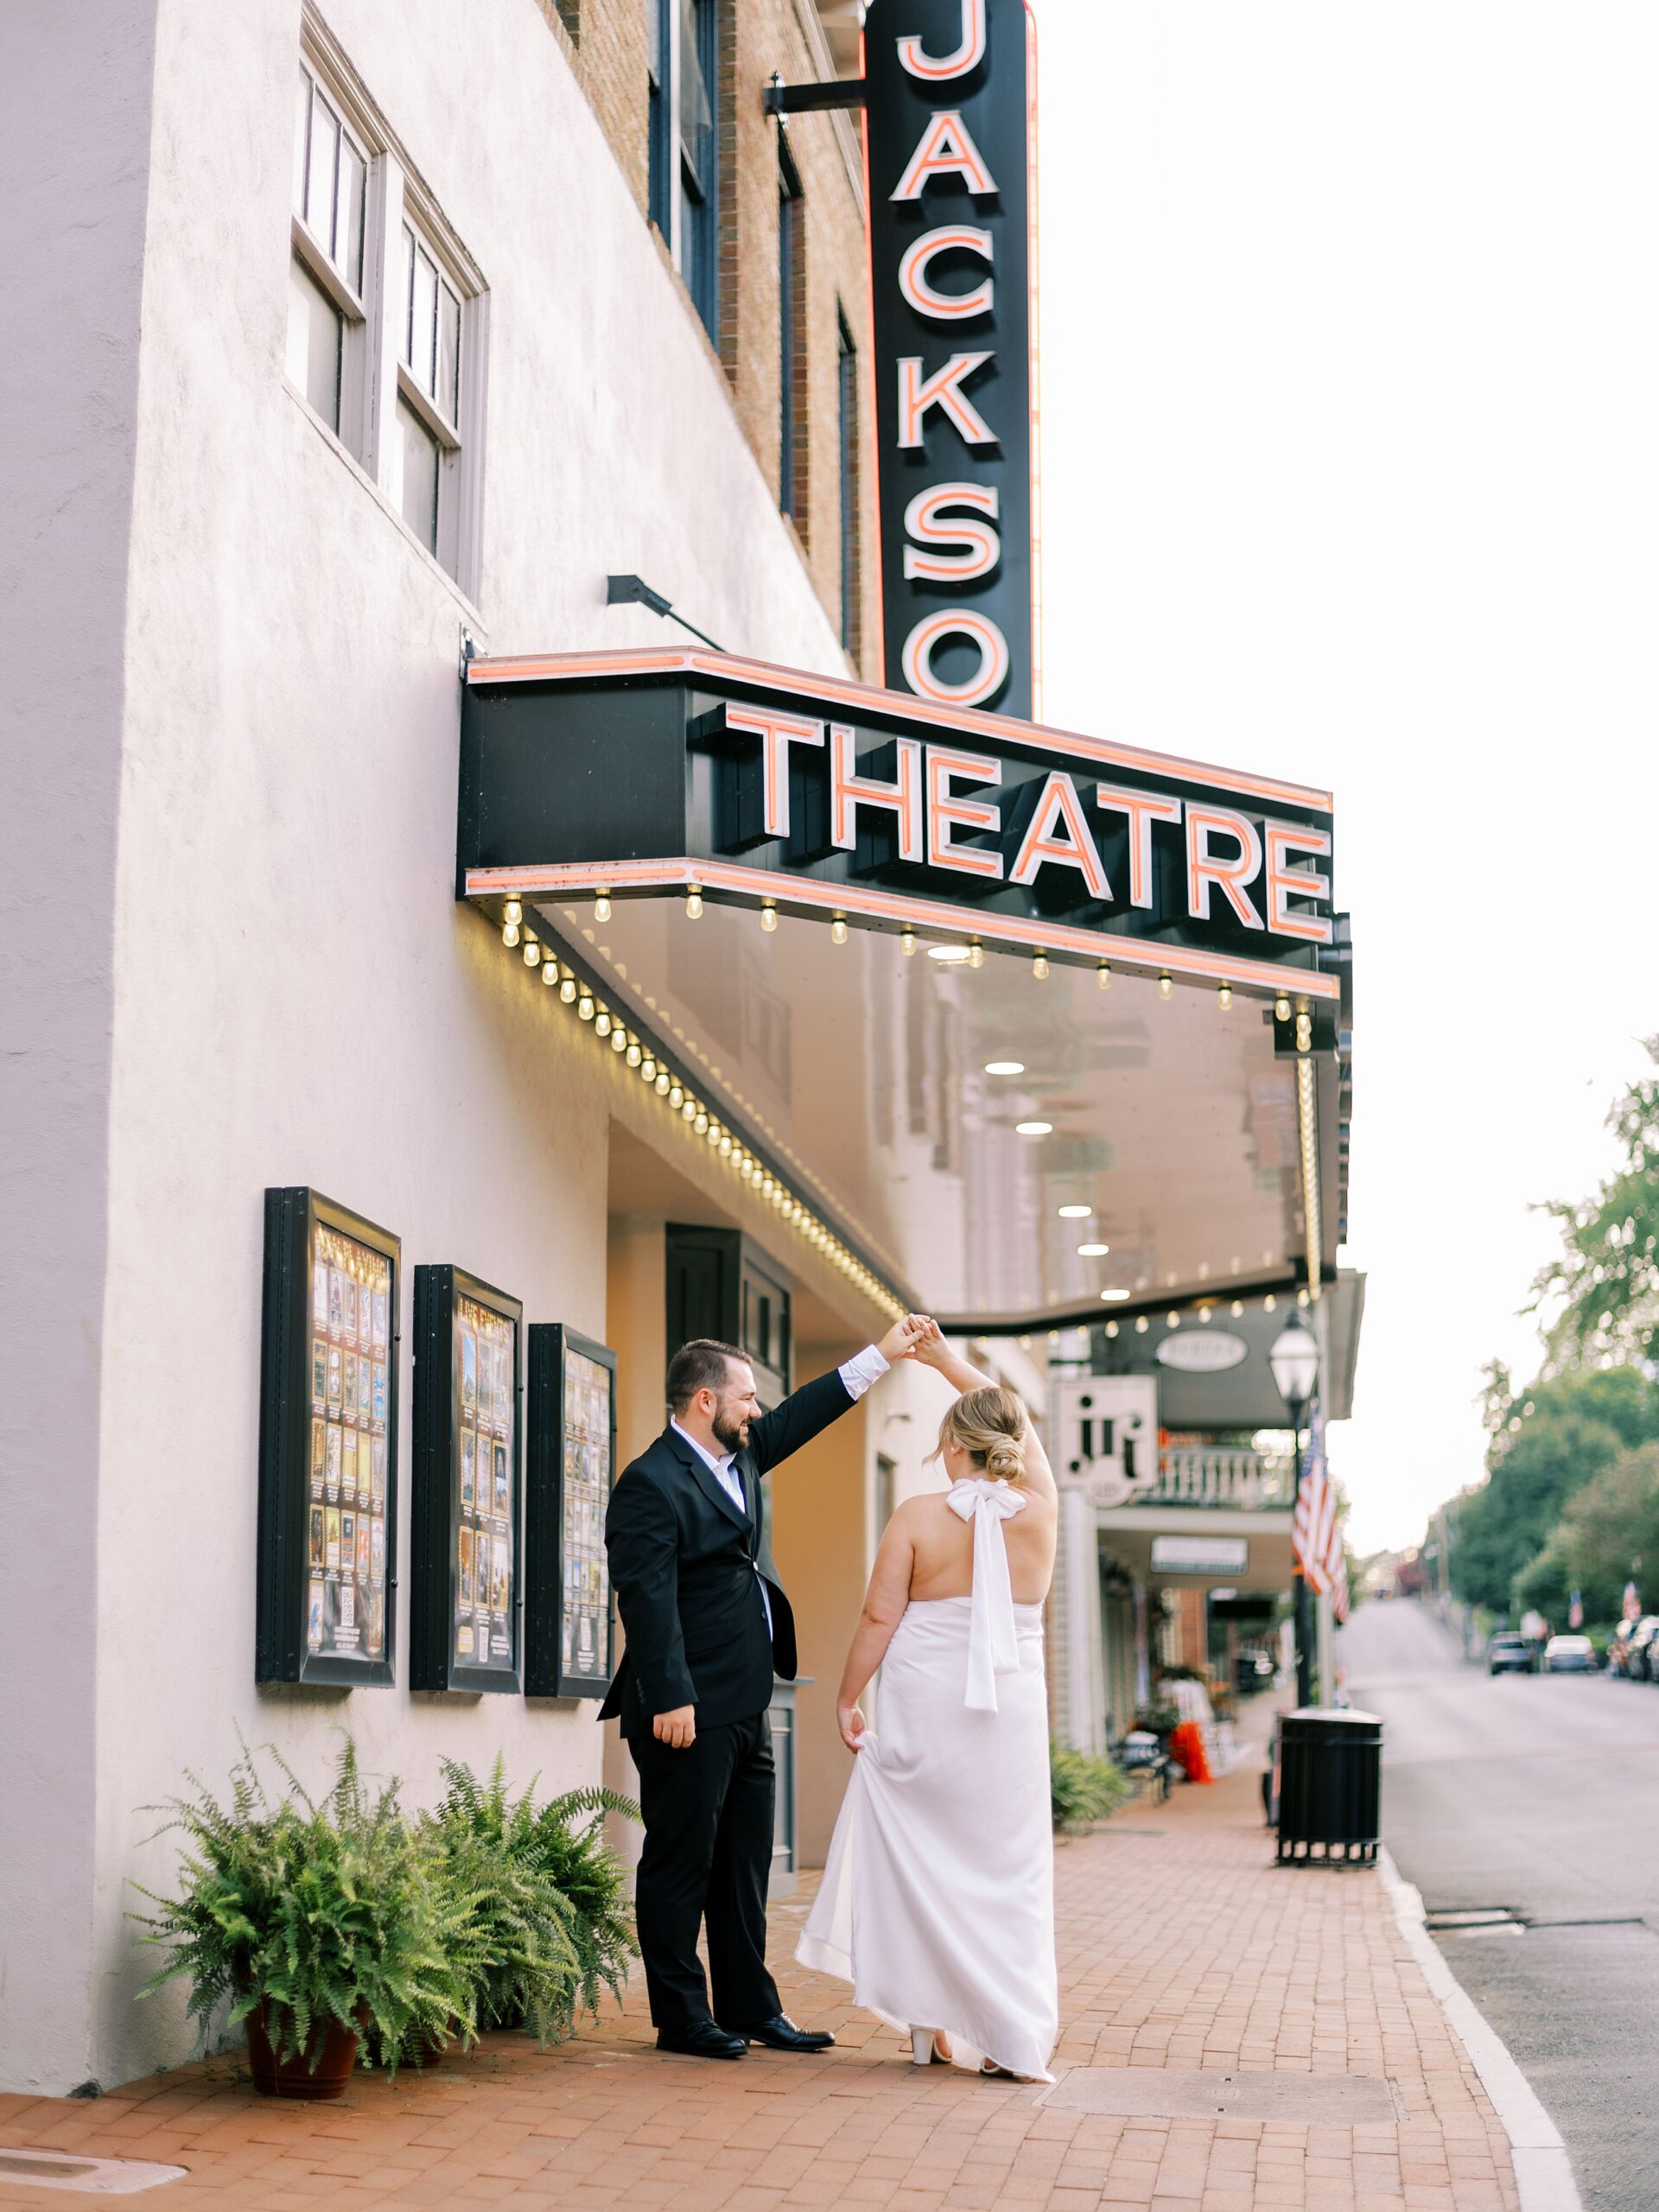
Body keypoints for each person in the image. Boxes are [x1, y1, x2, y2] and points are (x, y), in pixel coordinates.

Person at [601, 1314, 925, 2060]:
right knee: (681, 1864)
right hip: (685, 1706)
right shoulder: (650, 1483)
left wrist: (882, 1354)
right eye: (746, 1397)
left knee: (743, 1868)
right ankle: (682, 2018)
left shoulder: (740, 1457)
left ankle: (750, 2007)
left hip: (748, 1697)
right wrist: (672, 1694)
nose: (758, 1411)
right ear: (705, 1401)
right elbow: (644, 1599)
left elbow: (808, 1412)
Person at [797, 1324, 1059, 2082]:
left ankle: (931, 2024)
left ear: (952, 1445)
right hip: (1007, 1718)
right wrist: (946, 1360)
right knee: (1008, 1870)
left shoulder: (917, 1516)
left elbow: (879, 1618)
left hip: (925, 1713)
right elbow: (1017, 1417)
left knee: (924, 1860)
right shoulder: (1040, 1510)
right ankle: (1012, 2037)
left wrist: (849, 1698)